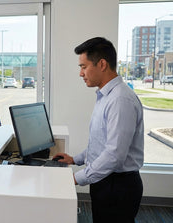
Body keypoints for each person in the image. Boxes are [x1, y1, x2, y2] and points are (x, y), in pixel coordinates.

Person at [54, 37, 144, 223]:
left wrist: (76, 178)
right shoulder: (106, 96)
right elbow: (101, 142)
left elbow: (114, 154)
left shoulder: (120, 100)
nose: (81, 73)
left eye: (84, 66)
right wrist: (76, 159)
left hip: (117, 186)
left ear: (102, 64)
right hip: (106, 181)